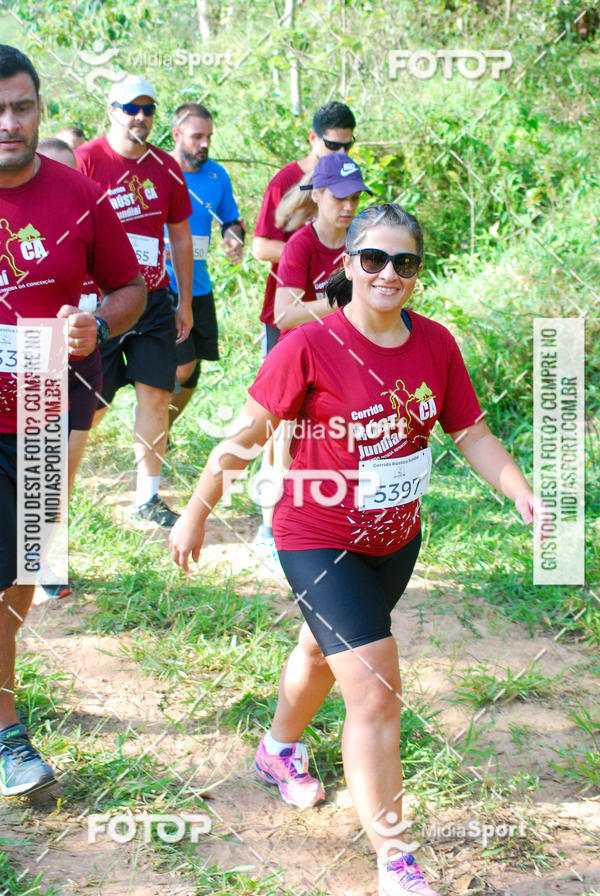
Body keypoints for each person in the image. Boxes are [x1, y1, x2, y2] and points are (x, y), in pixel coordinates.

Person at [169, 203, 539, 896]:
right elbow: (246, 438)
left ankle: (278, 751)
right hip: (316, 536)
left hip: (396, 539)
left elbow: (472, 433)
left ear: (418, 273)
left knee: (321, 650)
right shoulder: (308, 346)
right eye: (373, 258)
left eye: (404, 262)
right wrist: (196, 512)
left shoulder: (435, 344)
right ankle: (395, 859)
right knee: (374, 691)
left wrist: (517, 489)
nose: (387, 273)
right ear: (348, 264)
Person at [0, 45, 145, 796]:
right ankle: (6, 732)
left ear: (41, 108)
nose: (8, 122)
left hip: (39, 405)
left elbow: (130, 288)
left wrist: (95, 319)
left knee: (23, 564)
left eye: (21, 105)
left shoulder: (79, 195)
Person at [76, 75, 194, 528]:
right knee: (90, 402)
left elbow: (180, 236)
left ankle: (147, 497)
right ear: (112, 111)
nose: (141, 117)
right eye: (131, 108)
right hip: (101, 303)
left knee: (156, 394)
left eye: (148, 109)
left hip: (153, 299)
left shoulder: (165, 166)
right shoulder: (86, 161)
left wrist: (183, 301)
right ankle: (65, 477)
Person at [254, 153, 371, 575]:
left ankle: (336, 532)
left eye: (355, 197)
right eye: (340, 196)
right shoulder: (303, 243)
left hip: (343, 361)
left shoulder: (360, 240)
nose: (348, 206)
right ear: (318, 194)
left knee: (341, 450)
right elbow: (284, 313)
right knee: (283, 452)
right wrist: (343, 299)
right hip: (298, 358)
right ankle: (269, 533)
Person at [35, 137, 104, 599]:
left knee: (61, 472)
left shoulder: (92, 220)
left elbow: (126, 284)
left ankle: (47, 560)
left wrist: (97, 320)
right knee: (36, 470)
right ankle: (33, 561)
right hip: (31, 366)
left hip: (82, 365)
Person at [253, 100, 356, 354]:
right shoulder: (286, 180)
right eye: (333, 145)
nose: (341, 153)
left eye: (348, 145)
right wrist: (308, 258)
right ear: (313, 137)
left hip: (330, 310)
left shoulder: (348, 178)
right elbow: (261, 246)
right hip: (291, 302)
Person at [166, 102, 244, 429]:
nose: (205, 144)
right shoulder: (157, 171)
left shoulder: (217, 175)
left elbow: (232, 221)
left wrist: (235, 238)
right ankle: (150, 423)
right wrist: (160, 249)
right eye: (197, 136)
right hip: (164, 285)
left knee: (193, 372)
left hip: (200, 285)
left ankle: (159, 426)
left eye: (208, 136)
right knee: (181, 366)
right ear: (176, 134)